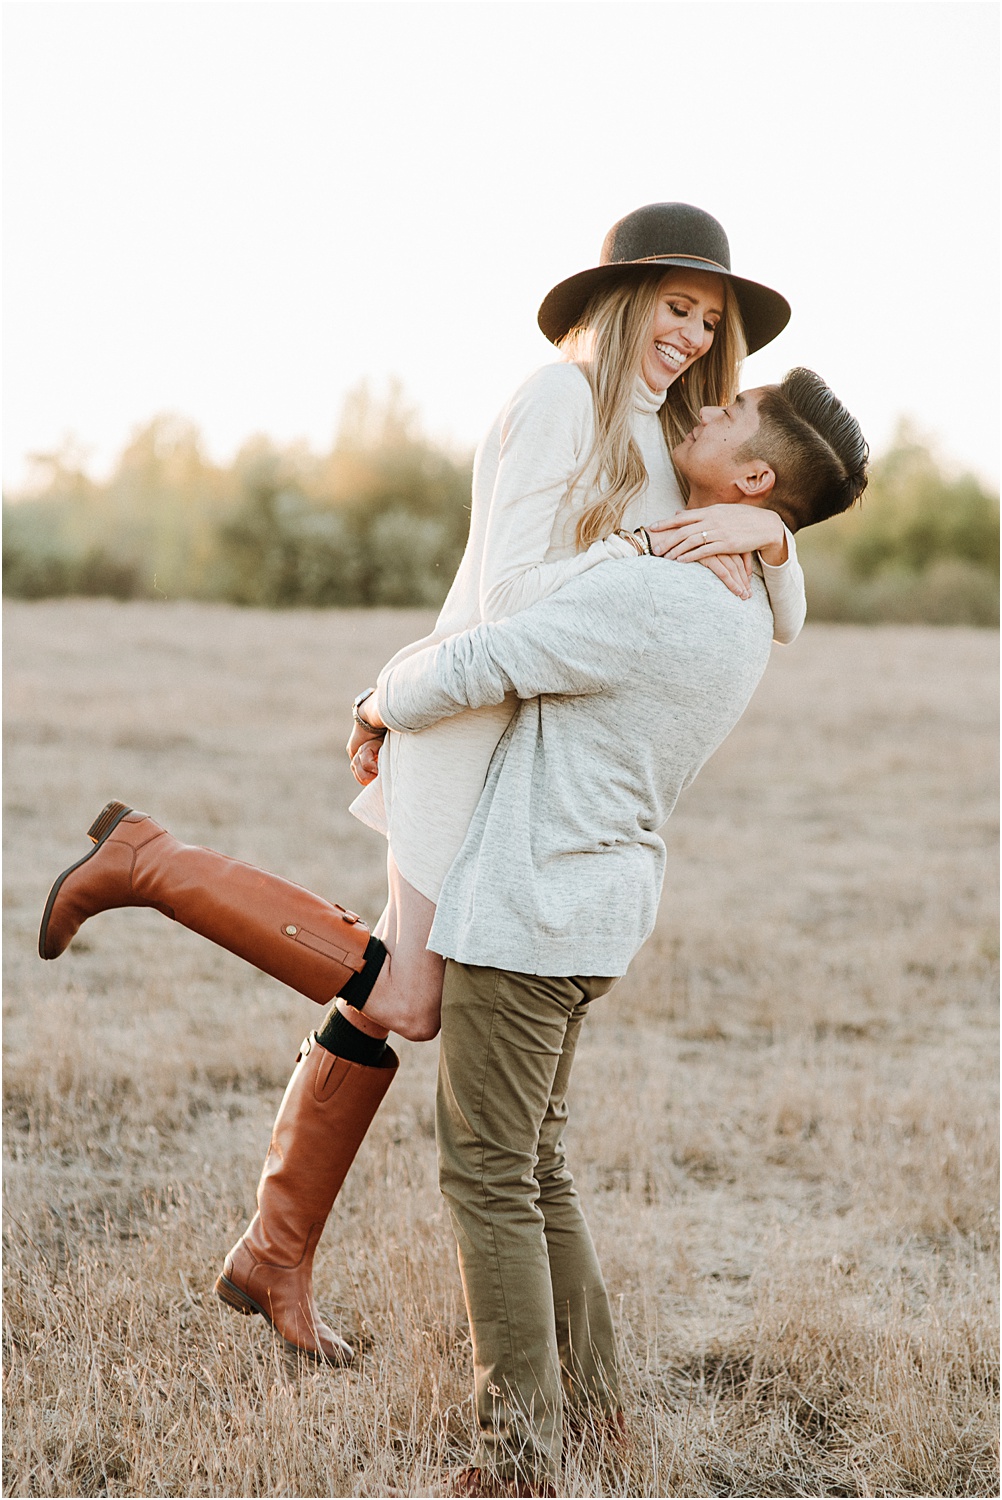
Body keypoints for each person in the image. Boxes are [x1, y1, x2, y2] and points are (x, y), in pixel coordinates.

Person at [38, 204, 805, 1369]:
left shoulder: (666, 434)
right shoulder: (558, 404)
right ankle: (152, 865)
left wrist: (777, 537)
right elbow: (511, 604)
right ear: (621, 301)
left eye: (712, 316)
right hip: (466, 726)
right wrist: (641, 556)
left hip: (518, 746)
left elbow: (782, 617)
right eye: (676, 306)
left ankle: (274, 1251)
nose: (694, 333)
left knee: (398, 995)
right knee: (406, 1000)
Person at [349, 368, 869, 1494]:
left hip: (530, 910)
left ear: (756, 478)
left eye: (732, 412)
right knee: (536, 1168)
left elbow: (492, 656)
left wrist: (381, 699)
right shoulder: (737, 598)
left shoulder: (661, 592)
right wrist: (777, 545)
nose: (709, 400)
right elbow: (777, 588)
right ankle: (598, 1421)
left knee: (488, 1174)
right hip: (595, 912)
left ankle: (518, 1454)